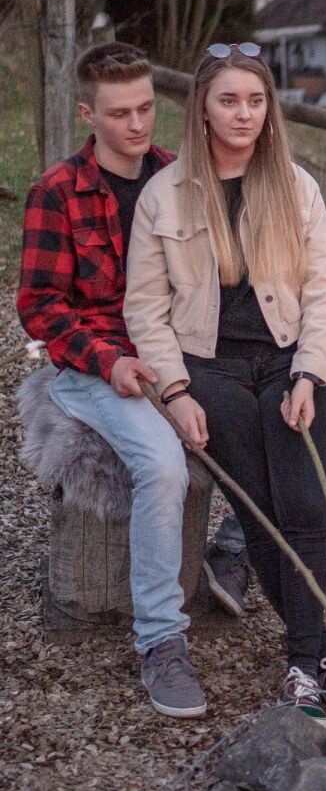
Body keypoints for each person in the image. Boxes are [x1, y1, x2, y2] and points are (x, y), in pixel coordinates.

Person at [124, 42, 326, 727]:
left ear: (270, 110)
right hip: (208, 366)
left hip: (289, 360)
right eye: (229, 100)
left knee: (304, 500)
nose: (243, 114)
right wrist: (174, 391)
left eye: (255, 101)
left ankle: (305, 658)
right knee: (259, 498)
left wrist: (311, 374)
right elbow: (144, 309)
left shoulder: (296, 187)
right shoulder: (164, 195)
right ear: (202, 107)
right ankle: (314, 655)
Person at [17, 42, 221, 718]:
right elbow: (40, 307)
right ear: (88, 113)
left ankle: (237, 559)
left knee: (277, 412)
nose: (137, 125)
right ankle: (162, 641)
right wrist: (111, 361)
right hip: (94, 369)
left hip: (175, 355)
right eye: (119, 113)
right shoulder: (57, 191)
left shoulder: (179, 176)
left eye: (145, 108)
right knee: (164, 466)